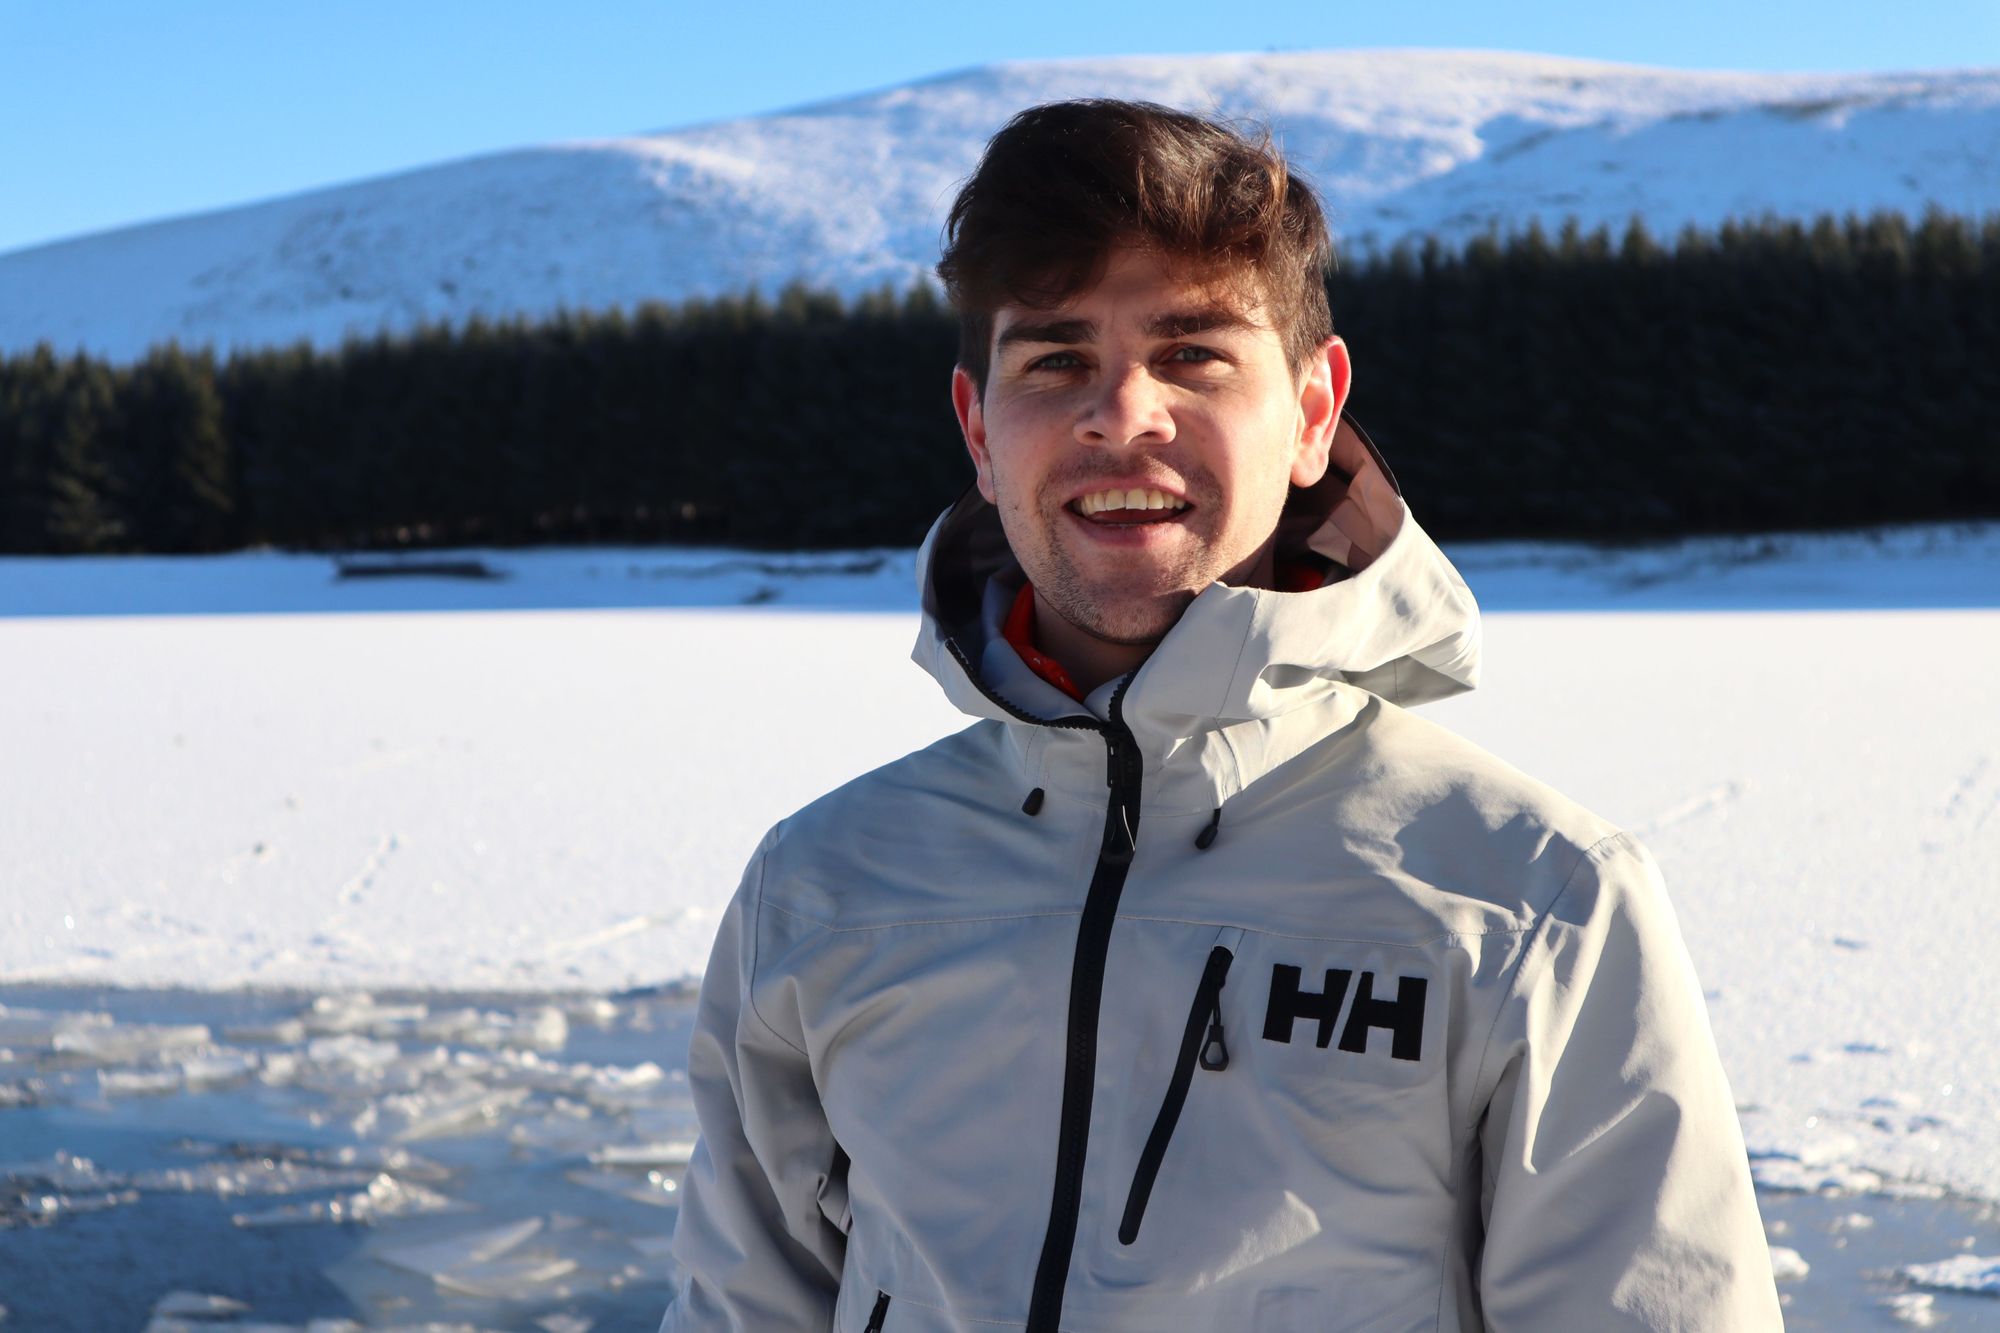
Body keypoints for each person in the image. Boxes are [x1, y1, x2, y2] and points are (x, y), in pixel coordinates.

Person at [662, 99, 1781, 1331]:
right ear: (979, 431)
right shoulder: (825, 885)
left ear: (1310, 413)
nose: (1120, 413)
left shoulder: (1530, 901)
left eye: (1193, 354)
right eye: (1052, 360)